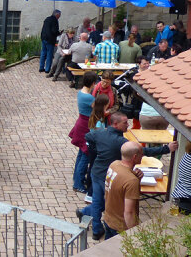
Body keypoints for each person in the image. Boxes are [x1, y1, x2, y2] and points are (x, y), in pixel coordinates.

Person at [77, 112, 178, 240]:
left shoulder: (99, 133)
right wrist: (166, 149)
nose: (128, 124)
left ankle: (91, 221)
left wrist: (97, 149)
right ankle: (94, 224)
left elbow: (88, 136)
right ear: (115, 124)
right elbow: (144, 151)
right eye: (125, 122)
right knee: (105, 202)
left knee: (99, 201)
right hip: (109, 174)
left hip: (97, 172)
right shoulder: (120, 142)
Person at [102, 142, 144, 239]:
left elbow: (120, 187)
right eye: (141, 153)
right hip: (120, 228)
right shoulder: (131, 181)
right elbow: (129, 212)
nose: (143, 155)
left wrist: (137, 178)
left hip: (108, 220)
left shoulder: (114, 164)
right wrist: (135, 235)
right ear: (134, 157)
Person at [68, 71, 97, 194]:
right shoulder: (90, 97)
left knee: (81, 153)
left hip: (81, 122)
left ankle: (77, 179)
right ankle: (78, 184)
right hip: (86, 125)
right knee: (85, 156)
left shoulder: (81, 92)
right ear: (93, 83)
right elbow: (97, 110)